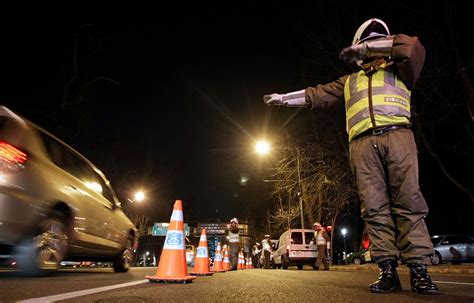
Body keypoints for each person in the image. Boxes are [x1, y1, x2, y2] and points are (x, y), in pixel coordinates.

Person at [263, 18, 439, 295]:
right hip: (361, 145)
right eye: (366, 45)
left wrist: (369, 50)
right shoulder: (349, 82)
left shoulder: (402, 70)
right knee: (374, 208)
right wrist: (283, 98)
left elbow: (412, 46)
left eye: (376, 44)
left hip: (398, 137)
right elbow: (315, 95)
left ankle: (419, 270)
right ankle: (388, 271)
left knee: (409, 202)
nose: (371, 50)